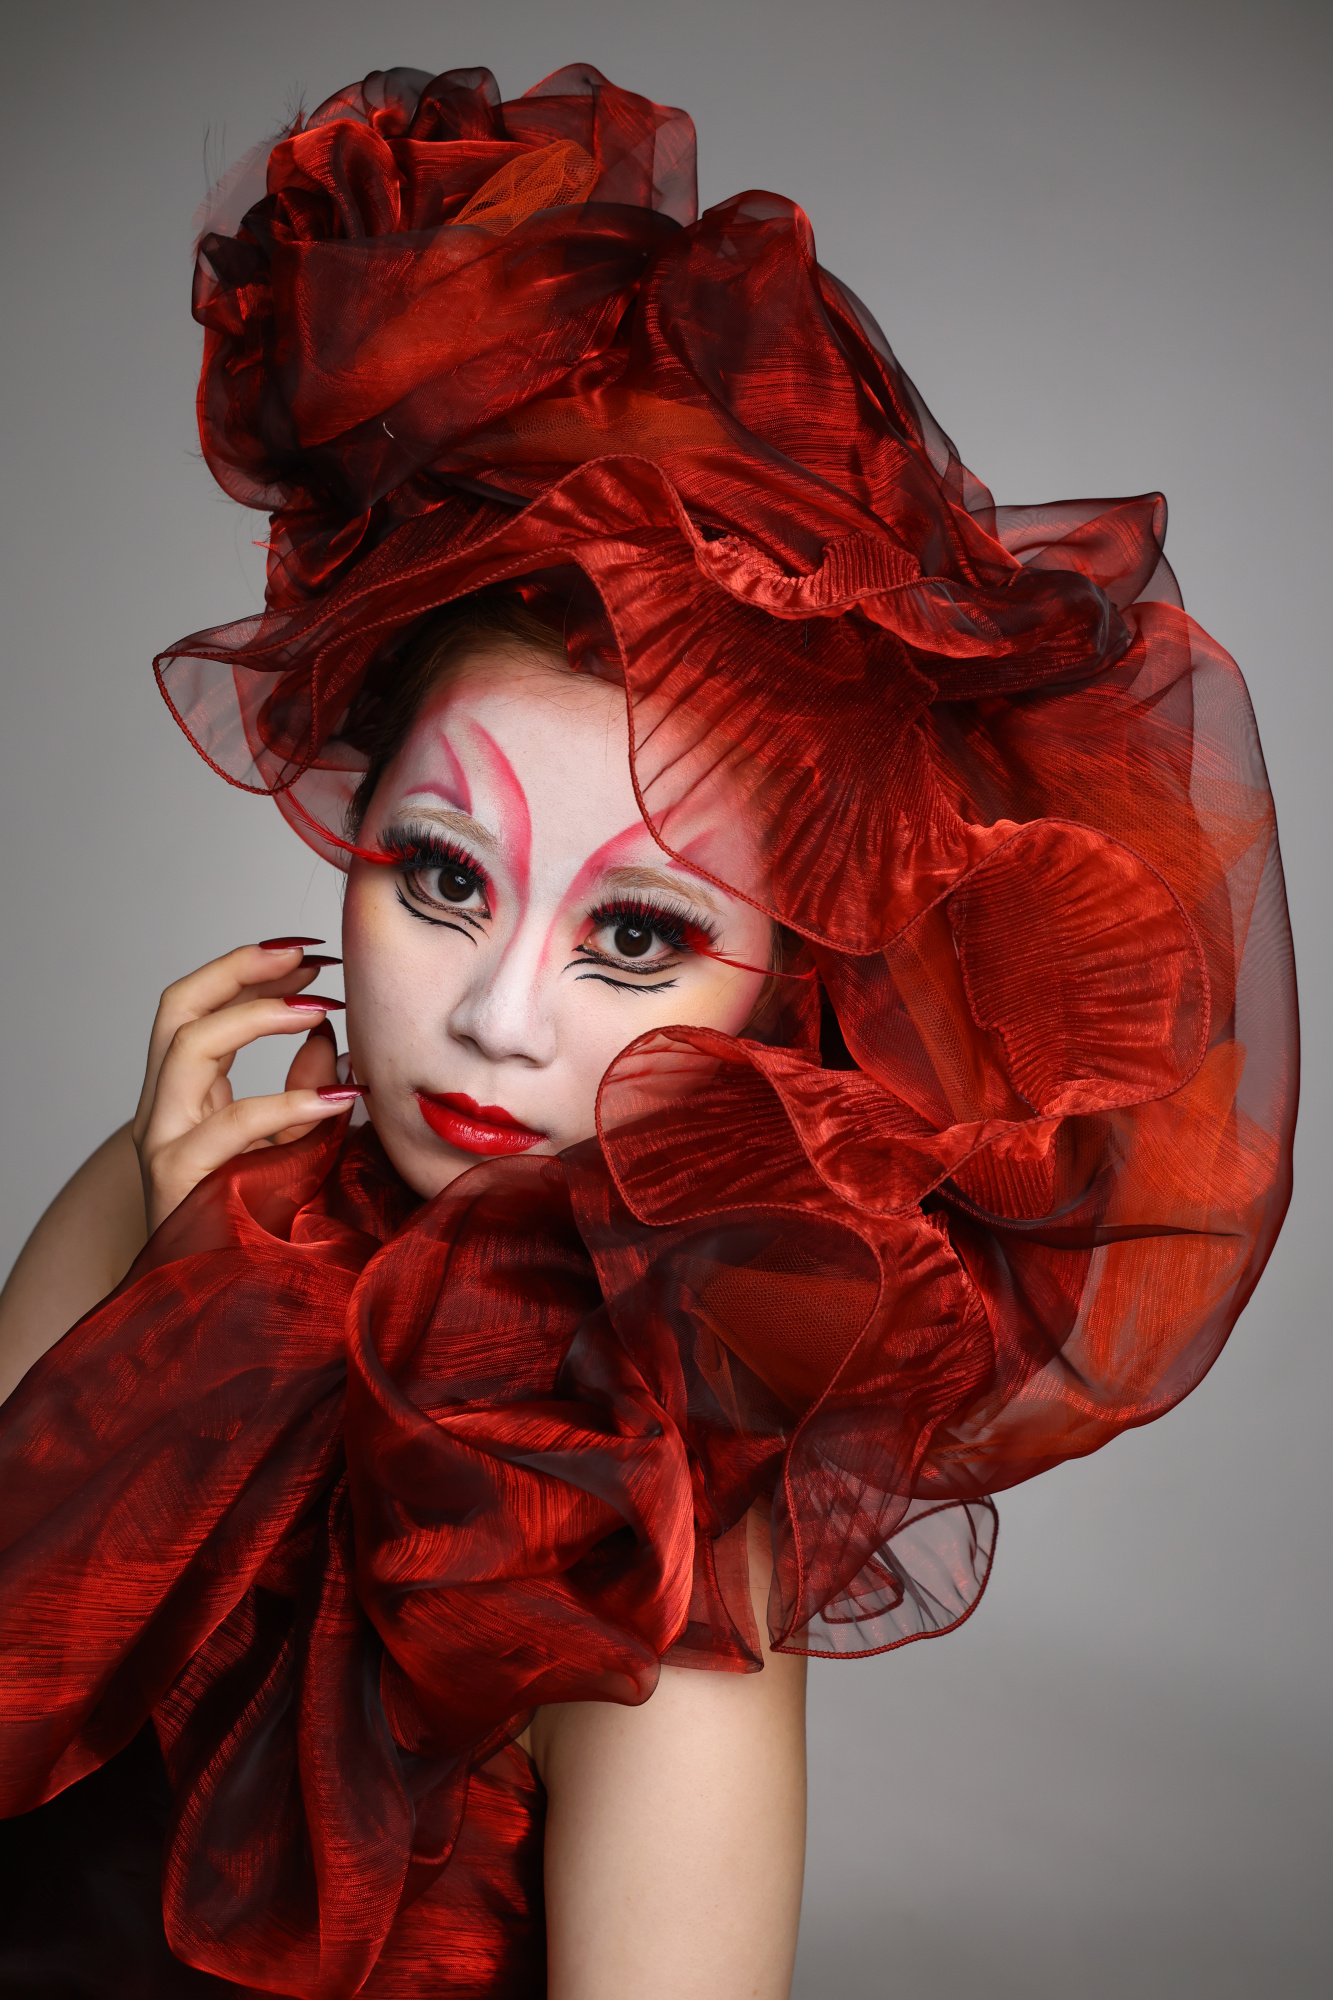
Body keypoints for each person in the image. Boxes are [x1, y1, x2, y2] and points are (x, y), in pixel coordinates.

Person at [0, 59, 1297, 2000]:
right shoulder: (186, 1187)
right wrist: (149, 1331)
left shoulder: (646, 1518)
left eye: (633, 933)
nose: (495, 1016)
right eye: (442, 875)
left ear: (779, 987)